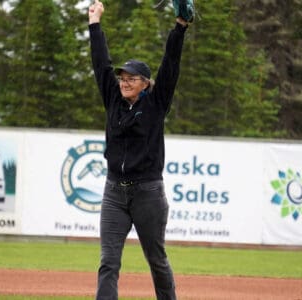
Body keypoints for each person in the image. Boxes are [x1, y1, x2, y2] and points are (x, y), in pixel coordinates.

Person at [88, 1, 189, 299]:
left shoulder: (156, 104)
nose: (124, 82)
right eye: (123, 77)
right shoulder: (113, 99)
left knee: (156, 261)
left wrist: (180, 28)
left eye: (131, 78)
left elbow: (170, 64)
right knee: (108, 262)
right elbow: (100, 62)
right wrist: (94, 23)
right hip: (114, 193)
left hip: (148, 193)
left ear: (145, 84)